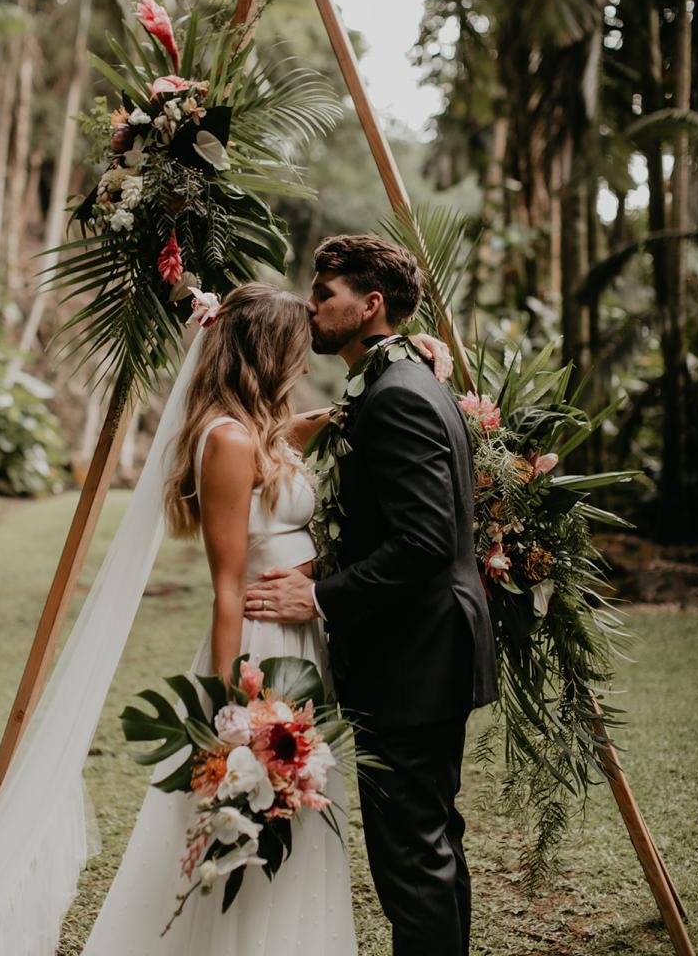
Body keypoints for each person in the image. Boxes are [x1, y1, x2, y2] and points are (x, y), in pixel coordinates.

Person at [81, 281, 451, 956]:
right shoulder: (225, 440)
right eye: (296, 346)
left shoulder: (265, 430)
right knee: (256, 815)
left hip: (301, 634)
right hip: (258, 644)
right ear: (266, 350)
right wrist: (230, 715)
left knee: (304, 812)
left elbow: (333, 423)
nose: (306, 360)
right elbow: (227, 586)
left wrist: (412, 358)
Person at [245, 236, 499, 956]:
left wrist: (318, 596)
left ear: (370, 304)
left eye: (325, 294)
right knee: (432, 840)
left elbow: (423, 542)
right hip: (422, 648)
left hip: (415, 654)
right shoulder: (400, 383)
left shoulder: (398, 396)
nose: (312, 306)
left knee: (412, 855)